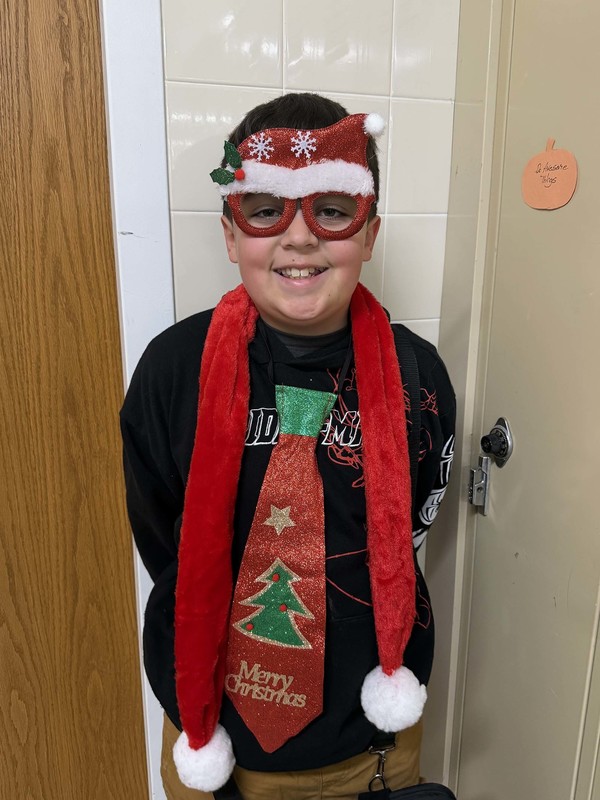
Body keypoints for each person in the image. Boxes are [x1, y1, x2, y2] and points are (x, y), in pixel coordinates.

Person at [120, 92, 456, 800]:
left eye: (332, 210)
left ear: (368, 233)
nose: (299, 238)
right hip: (213, 746)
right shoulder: (172, 372)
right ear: (230, 233)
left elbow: (416, 516)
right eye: (267, 209)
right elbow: (161, 536)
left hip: (370, 746)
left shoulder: (418, 374)